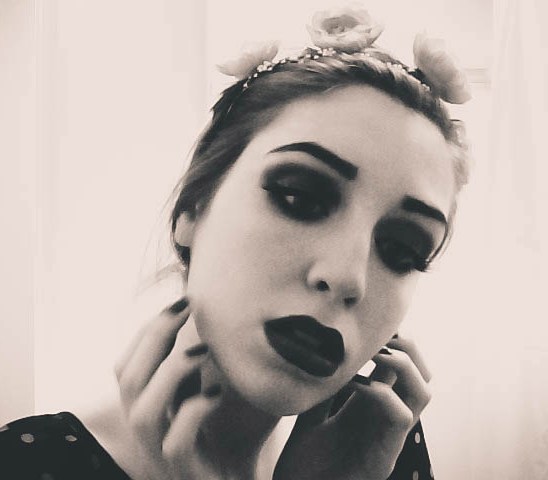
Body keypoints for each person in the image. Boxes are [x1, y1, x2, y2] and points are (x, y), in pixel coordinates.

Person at [0, 4, 471, 479]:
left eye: (404, 250)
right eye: (298, 198)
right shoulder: (21, 464)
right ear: (193, 208)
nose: (348, 278)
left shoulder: (376, 442)